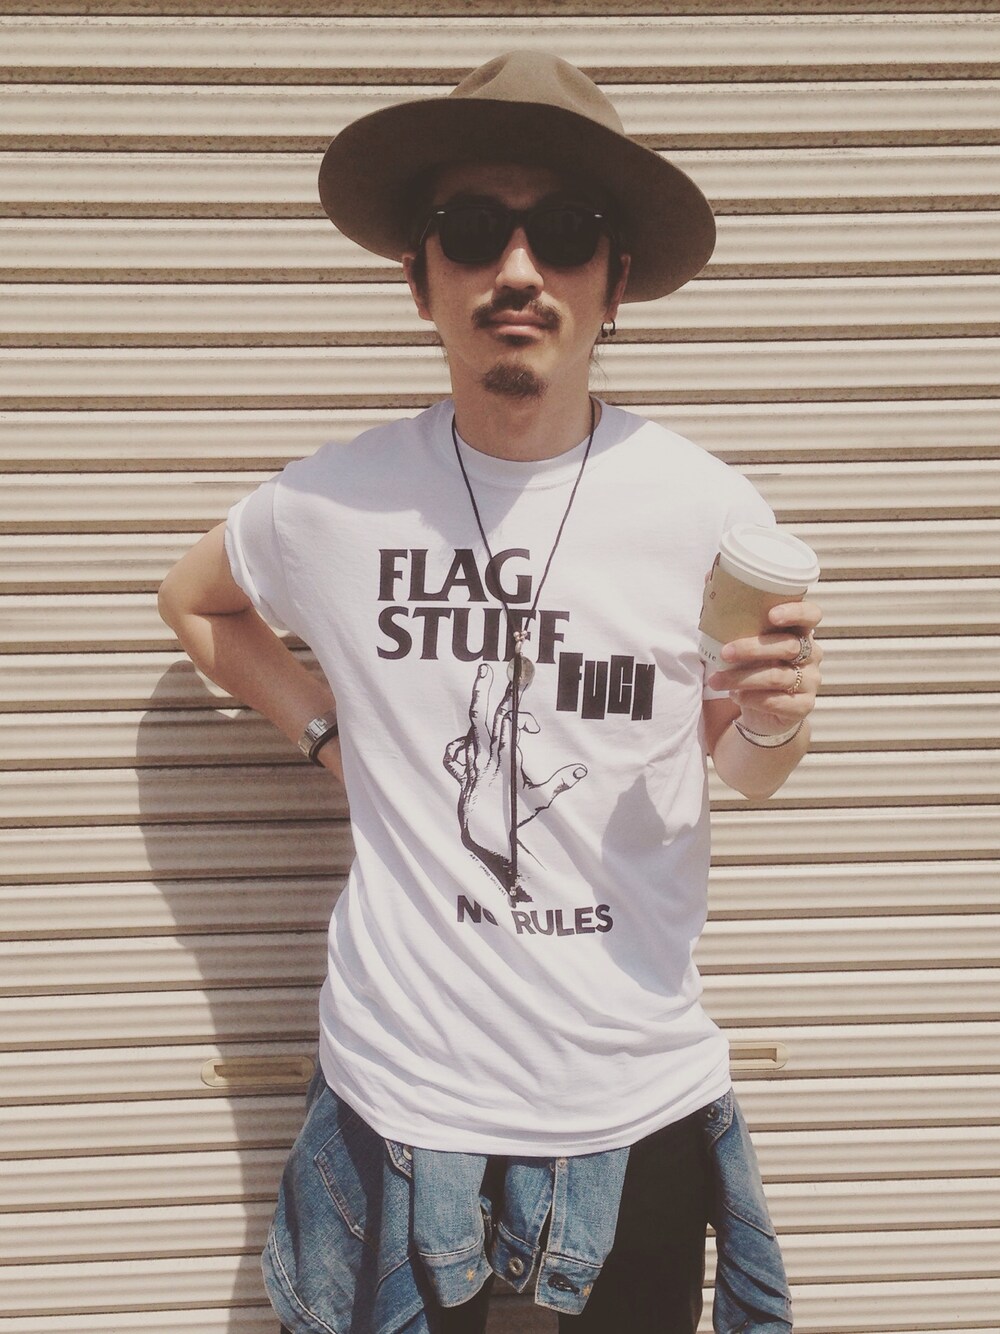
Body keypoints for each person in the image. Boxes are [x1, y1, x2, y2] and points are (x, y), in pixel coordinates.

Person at [158, 50, 820, 1334]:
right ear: (422, 279)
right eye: (471, 229)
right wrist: (327, 736)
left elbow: (742, 769)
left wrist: (775, 715)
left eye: (563, 232)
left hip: (631, 1085)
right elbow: (195, 600)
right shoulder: (335, 501)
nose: (517, 268)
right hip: (400, 1090)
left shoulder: (706, 509)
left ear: (612, 283)